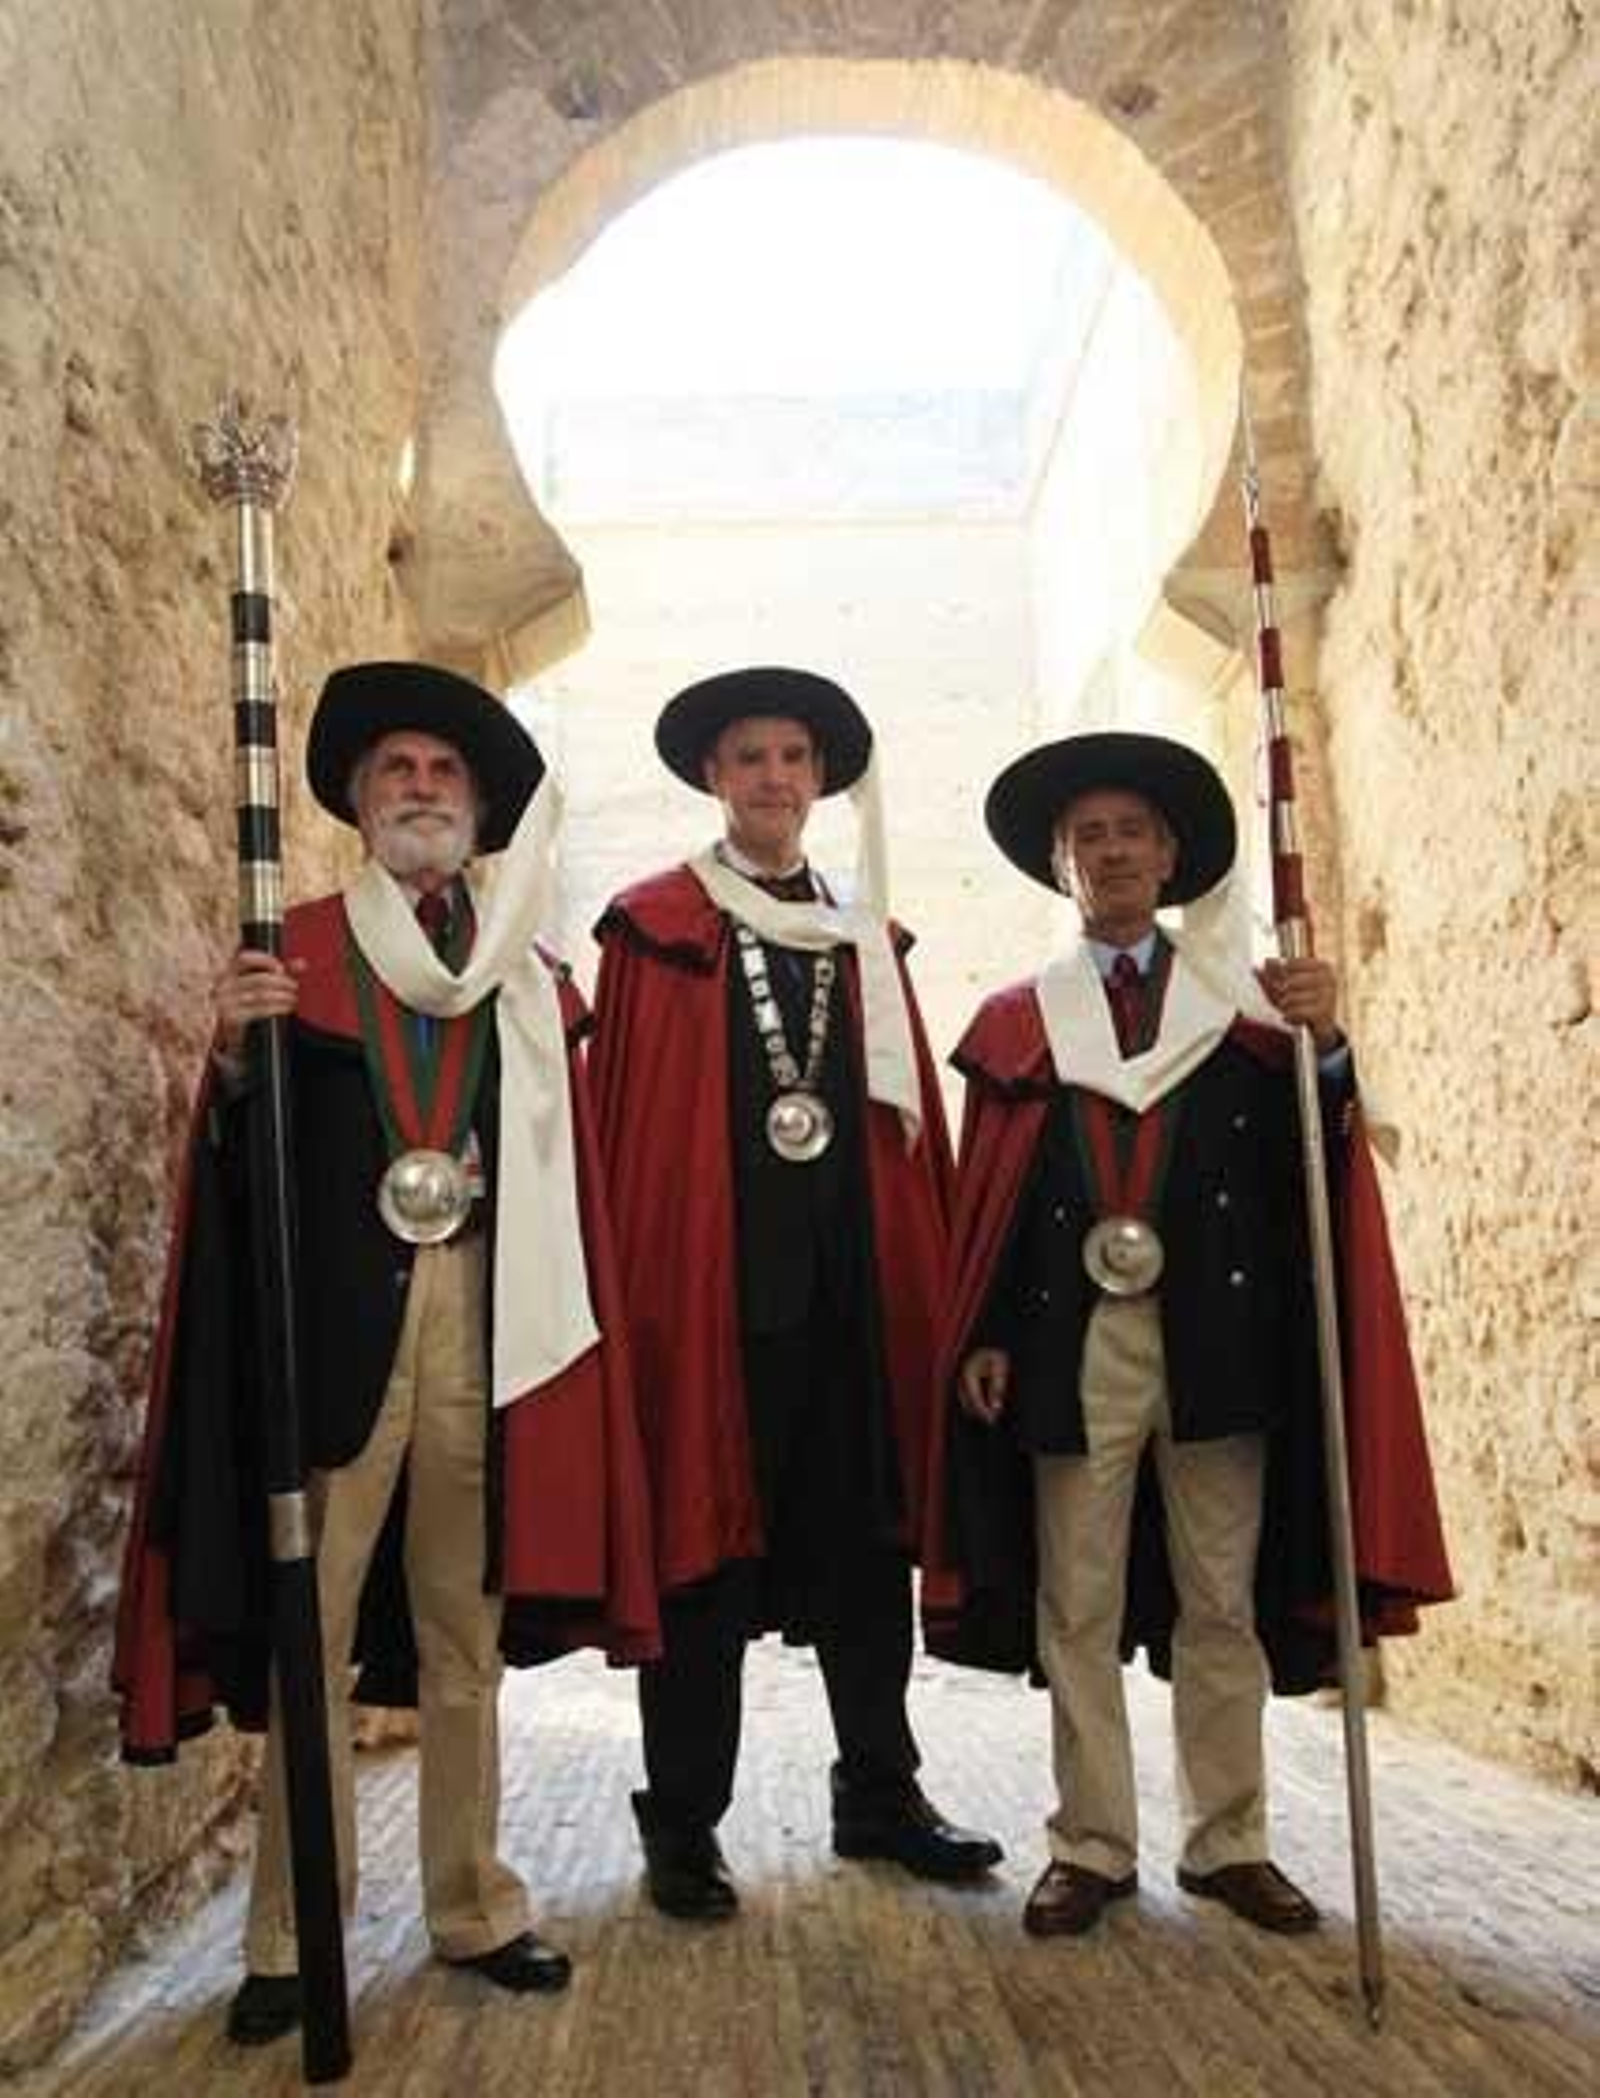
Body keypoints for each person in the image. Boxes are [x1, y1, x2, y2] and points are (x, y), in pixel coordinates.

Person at [114, 662, 658, 2043]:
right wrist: (235, 1068)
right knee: (317, 1630)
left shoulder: (528, 981)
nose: (421, 789)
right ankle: (295, 1933)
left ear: (478, 812)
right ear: (359, 802)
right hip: (337, 1339)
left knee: (462, 1625)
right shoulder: (290, 952)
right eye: (397, 771)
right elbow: (236, 1180)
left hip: (488, 1323)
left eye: (444, 774)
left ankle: (475, 1901)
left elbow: (568, 1174)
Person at [922, 731, 1452, 1941]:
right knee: (1079, 1599)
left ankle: (1229, 1840)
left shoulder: (1251, 1011)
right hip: (1072, 1342)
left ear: (1169, 856)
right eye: (1087, 837)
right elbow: (988, 1196)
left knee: (1219, 1595)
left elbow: (1309, 1170)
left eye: (1131, 833)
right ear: (1062, 866)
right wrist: (987, 1332)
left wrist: (1326, 1053)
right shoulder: (1019, 1021)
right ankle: (1093, 1845)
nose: (1111, 853)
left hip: (1219, 1341)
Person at [588, 665, 1001, 1920]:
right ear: (713, 777)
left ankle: (877, 1789)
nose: (772, 777)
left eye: (793, 759)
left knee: (865, 1548)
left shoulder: (866, 939)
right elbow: (630, 1134)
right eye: (748, 757)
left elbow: (910, 1128)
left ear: (819, 782)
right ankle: (684, 1824)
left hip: (853, 1298)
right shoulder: (655, 928)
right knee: (698, 1558)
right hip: (709, 1299)